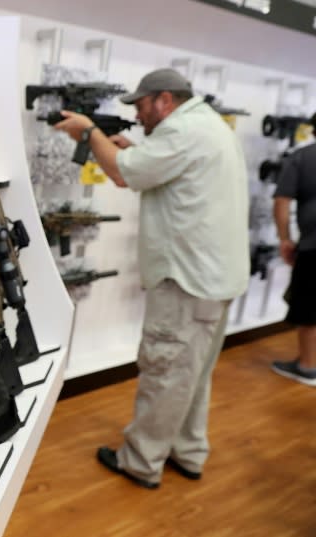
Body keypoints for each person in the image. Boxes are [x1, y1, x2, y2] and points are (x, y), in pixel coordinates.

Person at [56, 68, 250, 489]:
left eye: (141, 106)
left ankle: (142, 461)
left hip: (188, 280)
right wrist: (117, 147)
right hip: (215, 278)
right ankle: (187, 451)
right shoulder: (206, 125)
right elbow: (148, 169)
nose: (139, 116)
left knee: (167, 371)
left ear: (164, 100)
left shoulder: (182, 130)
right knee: (192, 374)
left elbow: (125, 174)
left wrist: (90, 133)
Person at [270, 114, 316, 386]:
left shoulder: (301, 158)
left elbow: (282, 202)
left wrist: (285, 239)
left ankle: (308, 366)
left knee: (309, 306)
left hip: (313, 247)